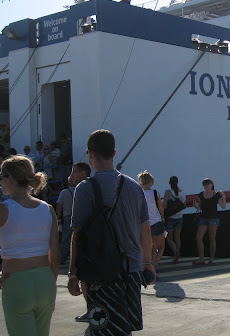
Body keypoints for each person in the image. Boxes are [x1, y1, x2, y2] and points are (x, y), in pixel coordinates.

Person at [67, 129, 154, 335]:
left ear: (90, 154)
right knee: (126, 327)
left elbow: (77, 235)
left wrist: (73, 273)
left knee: (103, 328)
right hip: (132, 270)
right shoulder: (135, 187)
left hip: (101, 273)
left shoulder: (85, 189)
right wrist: (147, 263)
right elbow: (145, 229)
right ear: (114, 153)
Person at [0, 155, 59, 336]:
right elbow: (54, 252)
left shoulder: (4, 209)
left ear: (10, 178)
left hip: (16, 281)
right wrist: (51, 281)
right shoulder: (47, 208)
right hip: (45, 281)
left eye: (2, 176)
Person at [57, 162, 91, 265]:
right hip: (80, 219)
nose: (72, 176)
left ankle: (62, 259)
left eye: (74, 172)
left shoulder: (66, 192)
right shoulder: (85, 189)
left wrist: (58, 218)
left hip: (69, 217)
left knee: (66, 239)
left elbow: (59, 206)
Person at [193, 178, 226, 265]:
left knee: (212, 238)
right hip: (204, 217)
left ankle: (212, 258)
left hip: (213, 218)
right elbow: (201, 206)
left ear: (211, 185)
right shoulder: (201, 194)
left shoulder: (216, 195)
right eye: (204, 184)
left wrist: (223, 196)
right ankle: (202, 259)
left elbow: (223, 206)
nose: (205, 186)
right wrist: (196, 206)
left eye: (207, 184)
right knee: (198, 238)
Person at [138, 171, 165, 271]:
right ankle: (152, 268)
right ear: (151, 182)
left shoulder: (139, 193)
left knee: (151, 248)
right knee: (161, 247)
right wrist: (163, 218)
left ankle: (146, 267)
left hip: (145, 223)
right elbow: (160, 208)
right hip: (156, 222)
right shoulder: (155, 193)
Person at [163, 176, 186, 264]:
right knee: (177, 237)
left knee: (169, 238)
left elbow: (165, 206)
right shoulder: (182, 192)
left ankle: (175, 252)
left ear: (169, 183)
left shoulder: (168, 192)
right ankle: (177, 253)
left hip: (170, 218)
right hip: (179, 217)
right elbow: (184, 204)